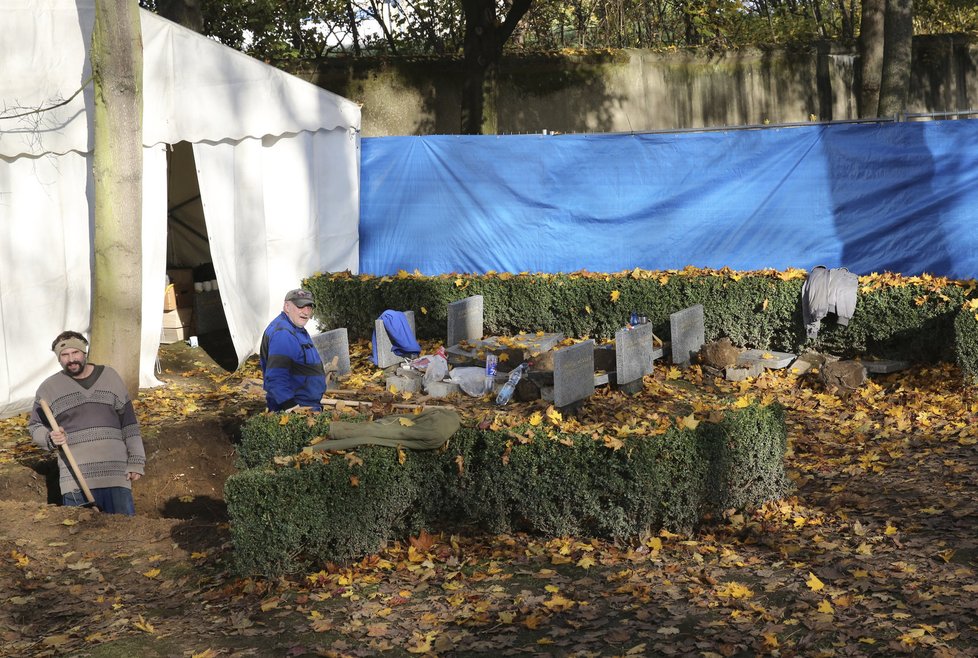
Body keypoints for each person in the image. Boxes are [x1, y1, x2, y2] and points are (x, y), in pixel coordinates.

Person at [28, 331, 146, 515]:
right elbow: (35, 426)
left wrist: (137, 461)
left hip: (115, 474)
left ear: (84, 352)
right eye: (64, 355)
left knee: (124, 537)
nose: (71, 359)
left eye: (75, 353)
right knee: (83, 541)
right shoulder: (48, 389)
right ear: (59, 359)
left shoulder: (110, 377)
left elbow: (129, 425)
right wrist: (50, 437)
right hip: (74, 480)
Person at [260, 288, 326, 412]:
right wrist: (291, 407)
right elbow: (276, 377)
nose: (306, 312)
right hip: (297, 407)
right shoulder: (284, 334)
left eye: (309, 307)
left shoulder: (294, 327)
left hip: (306, 404)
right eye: (300, 306)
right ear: (287, 306)